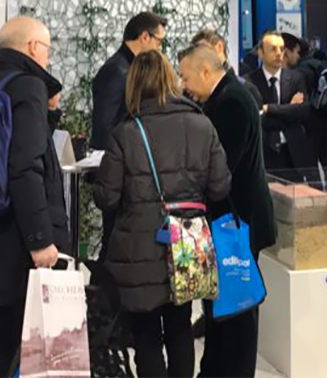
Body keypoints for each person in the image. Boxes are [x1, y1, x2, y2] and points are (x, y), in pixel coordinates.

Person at [94, 49, 231, 378]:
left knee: (146, 337)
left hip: (139, 249)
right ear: (171, 79)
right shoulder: (202, 124)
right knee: (180, 328)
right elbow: (220, 187)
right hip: (188, 244)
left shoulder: (127, 132)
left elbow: (107, 197)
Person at [0, 16, 69, 377]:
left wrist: (47, 117)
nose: (48, 58)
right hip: (19, 243)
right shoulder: (29, 86)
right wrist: (40, 240)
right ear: (34, 48)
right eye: (47, 49)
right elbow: (24, 168)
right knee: (39, 354)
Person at [177, 45, 276, 378]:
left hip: (237, 224)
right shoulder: (225, 97)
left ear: (205, 71)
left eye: (186, 77)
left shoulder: (232, 101)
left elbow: (221, 171)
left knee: (238, 311)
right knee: (221, 308)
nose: (184, 85)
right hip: (229, 222)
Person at [91, 11, 167, 151]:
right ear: (145, 37)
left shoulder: (130, 67)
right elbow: (104, 128)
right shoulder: (116, 71)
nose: (160, 48)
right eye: (159, 41)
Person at [244, 30, 313, 179]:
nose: (279, 53)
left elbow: (302, 112)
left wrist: (269, 108)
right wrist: (288, 110)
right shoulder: (249, 82)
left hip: (291, 153)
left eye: (282, 49)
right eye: (273, 49)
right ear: (261, 53)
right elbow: (257, 118)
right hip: (263, 152)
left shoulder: (296, 78)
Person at [283, 33, 327, 181]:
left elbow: (302, 101)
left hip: (311, 124)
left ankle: (316, 191)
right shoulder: (322, 65)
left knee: (311, 163)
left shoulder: (298, 72)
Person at [190, 28, 261, 105]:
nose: (201, 59)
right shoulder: (194, 94)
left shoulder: (248, 90)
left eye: (204, 51)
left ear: (219, 47)